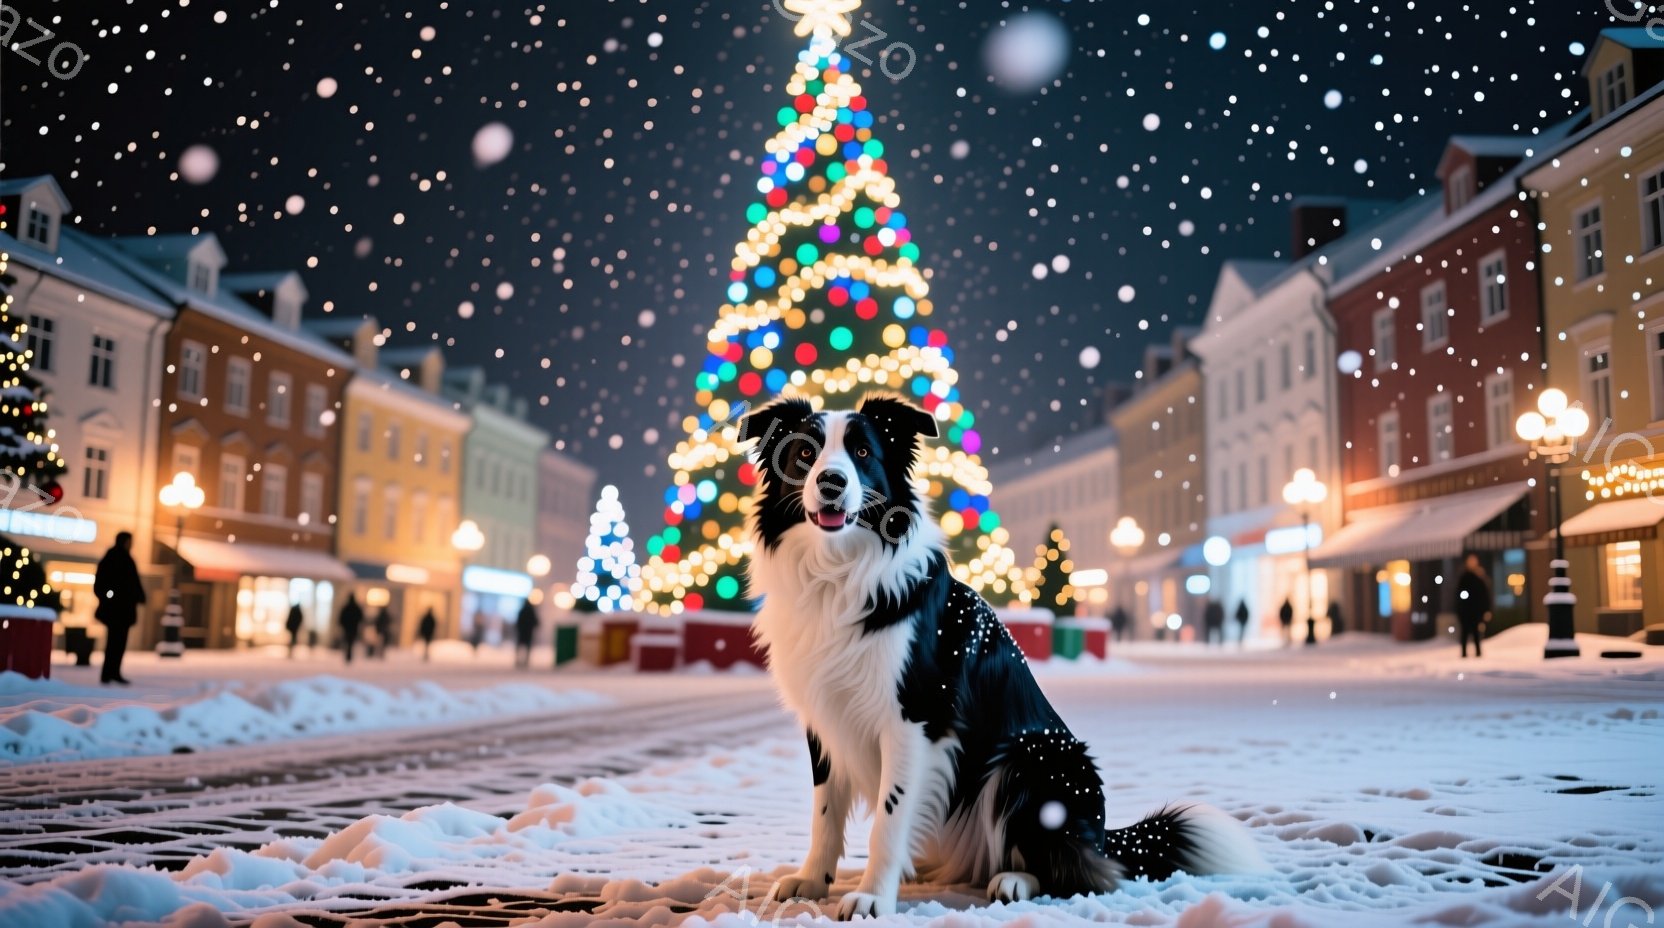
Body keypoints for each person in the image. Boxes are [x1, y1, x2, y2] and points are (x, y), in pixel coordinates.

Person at [92, 531, 146, 685]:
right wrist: (112, 596)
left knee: (117, 642)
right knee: (115, 642)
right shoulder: (117, 558)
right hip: (118, 610)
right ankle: (110, 673)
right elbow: (103, 584)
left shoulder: (119, 558)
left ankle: (112, 673)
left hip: (120, 610)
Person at [1456, 553, 1492, 658]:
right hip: (1465, 610)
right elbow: (1459, 594)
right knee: (1465, 632)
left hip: (1476, 610)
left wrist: (1486, 609)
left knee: (1476, 632)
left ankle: (1478, 652)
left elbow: (1484, 595)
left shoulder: (1479, 577)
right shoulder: (1464, 577)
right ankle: (1464, 653)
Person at [514, 598, 541, 669]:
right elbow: (536, 621)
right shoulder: (531, 611)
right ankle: (526, 660)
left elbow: (518, 621)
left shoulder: (522, 611)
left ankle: (518, 660)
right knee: (527, 646)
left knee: (520, 646)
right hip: (529, 632)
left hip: (522, 631)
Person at [337, 594, 364, 664]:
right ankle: (349, 655)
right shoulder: (356, 607)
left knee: (348, 642)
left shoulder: (347, 607)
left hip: (347, 628)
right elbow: (361, 617)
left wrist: (342, 625)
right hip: (353, 628)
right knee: (350, 642)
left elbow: (341, 617)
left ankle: (348, 655)